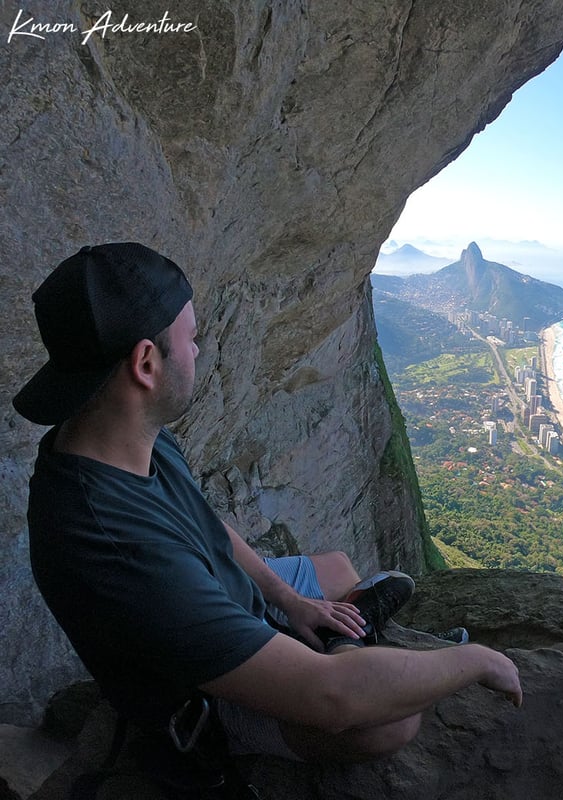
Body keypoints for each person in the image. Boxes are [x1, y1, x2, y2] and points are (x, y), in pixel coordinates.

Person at [13, 242, 521, 763]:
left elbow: (202, 522)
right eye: (191, 339)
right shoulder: (114, 545)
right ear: (146, 363)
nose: (198, 351)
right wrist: (477, 661)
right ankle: (350, 644)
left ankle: (345, 636)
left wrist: (288, 600)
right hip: (200, 691)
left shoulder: (118, 432)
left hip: (207, 591)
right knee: (389, 721)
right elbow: (332, 701)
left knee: (337, 570)